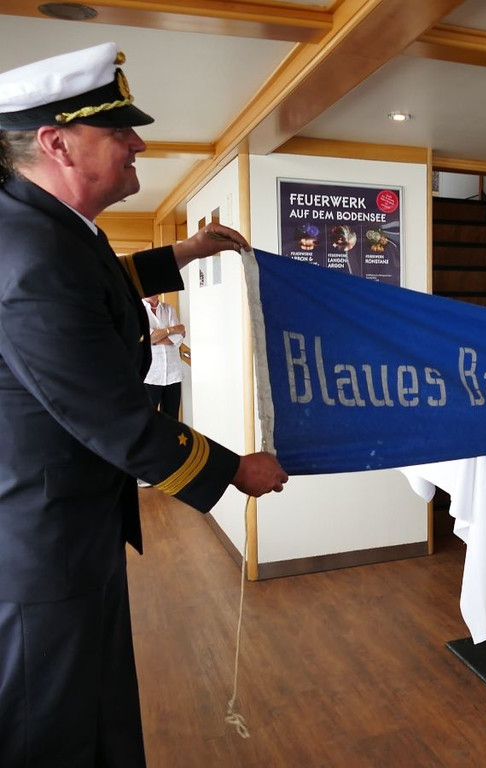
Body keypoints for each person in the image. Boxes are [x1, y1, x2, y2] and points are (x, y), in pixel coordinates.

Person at [0, 43, 289, 766]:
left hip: (65, 524)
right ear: (57, 143)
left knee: (90, 702)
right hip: (43, 547)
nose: (138, 144)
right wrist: (235, 470)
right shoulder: (32, 253)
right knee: (49, 724)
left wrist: (185, 252)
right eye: (118, 130)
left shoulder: (44, 227)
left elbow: (100, 280)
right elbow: (115, 420)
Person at [143, 293, 186, 417]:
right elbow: (145, 338)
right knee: (148, 419)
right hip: (149, 375)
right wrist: (170, 330)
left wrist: (154, 339)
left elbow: (178, 337)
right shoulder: (137, 310)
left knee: (171, 419)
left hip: (173, 374)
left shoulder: (169, 309)